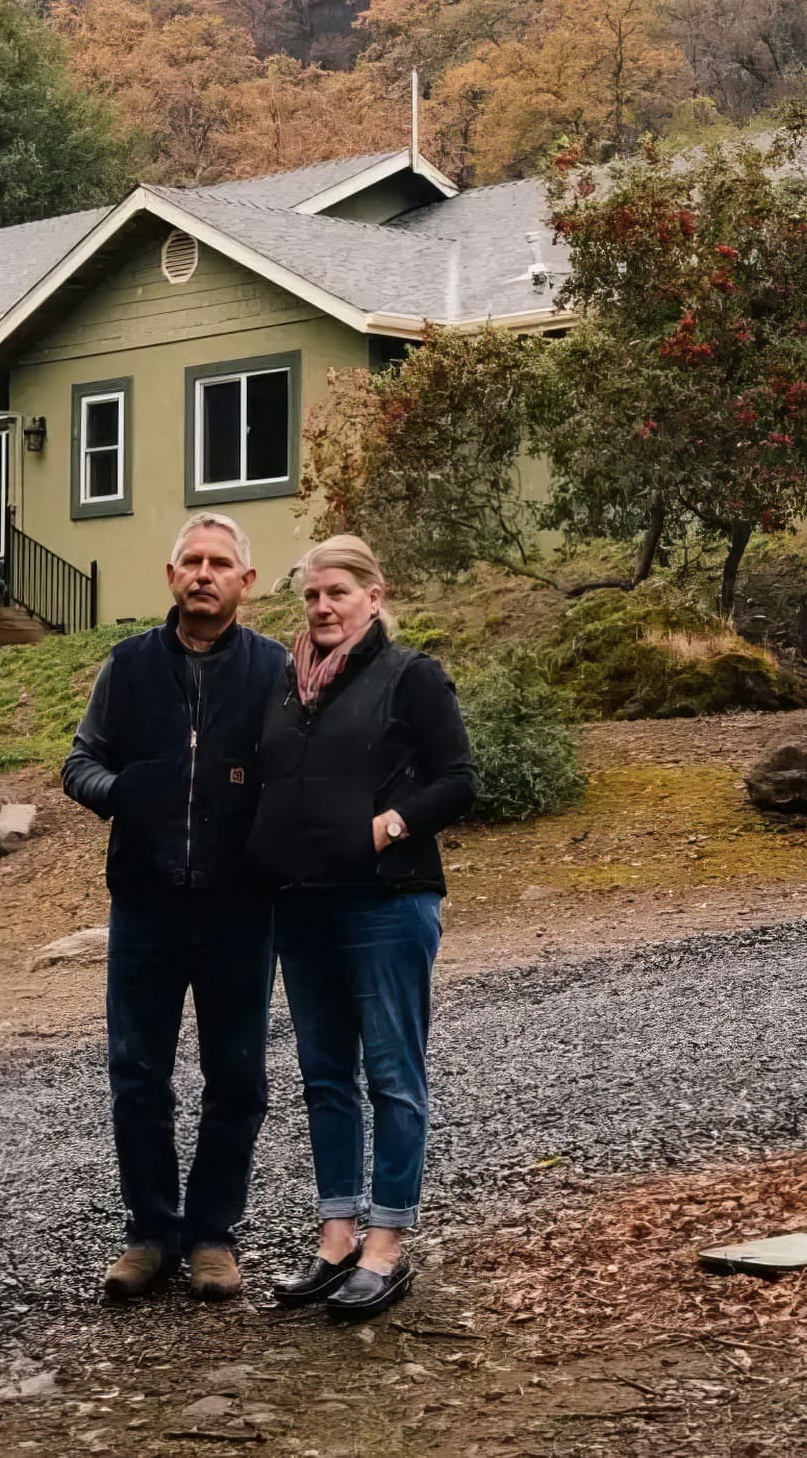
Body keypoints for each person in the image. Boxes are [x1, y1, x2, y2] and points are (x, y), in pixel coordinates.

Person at [247, 534, 476, 1320]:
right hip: (302, 906)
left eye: (337, 592)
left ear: (373, 597)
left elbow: (458, 780)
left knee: (391, 1075)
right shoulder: (286, 685)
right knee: (323, 1077)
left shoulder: (410, 675)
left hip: (387, 900)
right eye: (312, 595)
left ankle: (387, 1242)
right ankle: (336, 1235)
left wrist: (387, 826)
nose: (322, 607)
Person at [62, 513, 290, 1302]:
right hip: (146, 904)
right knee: (137, 1075)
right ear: (170, 577)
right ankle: (151, 1232)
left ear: (245, 582)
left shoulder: (276, 670)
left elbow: (301, 772)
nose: (203, 573)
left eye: (219, 562)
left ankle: (215, 1236)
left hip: (241, 907)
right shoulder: (126, 667)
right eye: (190, 560)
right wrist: (120, 791)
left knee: (237, 1076)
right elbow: (80, 759)